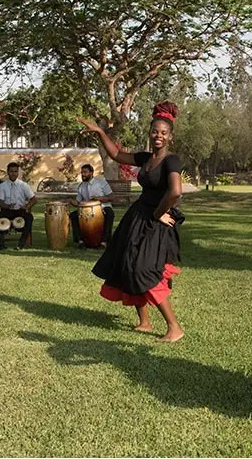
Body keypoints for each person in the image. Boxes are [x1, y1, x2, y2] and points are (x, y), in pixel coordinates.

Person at [77, 101, 185, 342]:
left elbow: (175, 192)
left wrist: (158, 213)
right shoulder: (146, 158)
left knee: (144, 269)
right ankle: (144, 322)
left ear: (170, 137)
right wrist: (100, 132)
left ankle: (174, 327)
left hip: (157, 220)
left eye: (164, 133)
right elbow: (115, 154)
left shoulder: (172, 161)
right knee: (127, 262)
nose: (159, 135)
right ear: (150, 133)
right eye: (155, 131)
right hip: (137, 216)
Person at [0, 162, 37, 250]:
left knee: (29, 217)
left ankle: (21, 244)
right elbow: (1, 203)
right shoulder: (2, 186)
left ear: (18, 172)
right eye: (11, 171)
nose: (13, 173)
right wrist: (8, 206)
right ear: (8, 172)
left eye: (15, 171)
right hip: (6, 211)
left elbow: (34, 199)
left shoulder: (23, 185)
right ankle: (1, 244)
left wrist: (27, 206)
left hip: (20, 211)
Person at [69, 164, 116, 248]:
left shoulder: (101, 182)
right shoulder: (81, 186)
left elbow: (112, 197)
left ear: (91, 173)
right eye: (82, 172)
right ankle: (80, 241)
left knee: (110, 213)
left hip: (103, 206)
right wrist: (69, 201)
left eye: (85, 172)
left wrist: (98, 198)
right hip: (87, 210)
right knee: (73, 215)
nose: (83, 174)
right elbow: (78, 202)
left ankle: (104, 241)